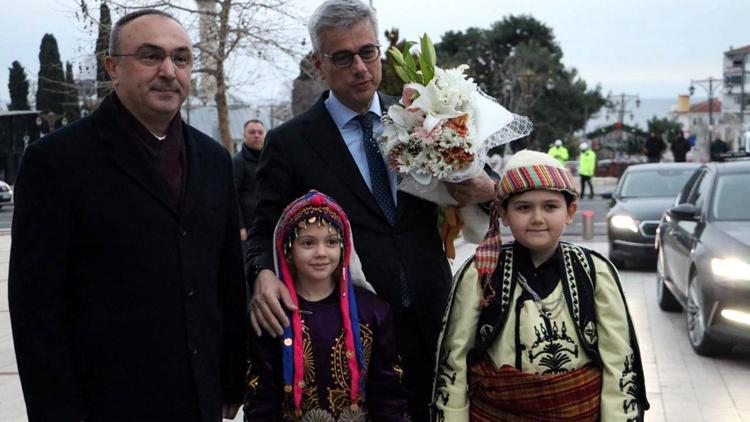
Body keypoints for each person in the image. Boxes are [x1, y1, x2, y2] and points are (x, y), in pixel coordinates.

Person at [245, 1, 496, 419]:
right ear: (318, 64)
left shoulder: (426, 117)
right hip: (349, 328)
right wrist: (262, 274)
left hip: (433, 311)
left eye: (368, 52)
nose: (360, 67)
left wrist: (484, 189)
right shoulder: (290, 143)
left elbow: (487, 188)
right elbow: (263, 227)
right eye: (342, 57)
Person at [8, 10, 247, 422]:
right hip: (104, 403)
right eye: (151, 56)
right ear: (112, 68)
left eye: (182, 58)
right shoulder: (56, 162)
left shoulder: (214, 160)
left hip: (199, 398)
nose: (169, 71)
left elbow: (226, 278)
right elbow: (36, 311)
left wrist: (231, 375)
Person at [432, 150, 649, 421]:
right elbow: (453, 363)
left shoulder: (595, 272)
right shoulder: (479, 273)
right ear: (503, 213)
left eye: (550, 206)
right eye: (523, 207)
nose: (537, 218)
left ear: (570, 212)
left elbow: (620, 364)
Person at [244, 190, 408, 420]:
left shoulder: (373, 311)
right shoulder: (274, 314)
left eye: (331, 242)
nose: (321, 253)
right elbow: (262, 401)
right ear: (288, 250)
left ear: (344, 248)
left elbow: (388, 394)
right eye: (308, 243)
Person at [233, 119, 265, 245]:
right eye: (252, 132)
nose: (256, 135)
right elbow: (233, 195)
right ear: (244, 136)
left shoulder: (270, 160)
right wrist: (240, 226)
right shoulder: (238, 162)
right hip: (248, 227)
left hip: (268, 222)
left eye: (260, 132)